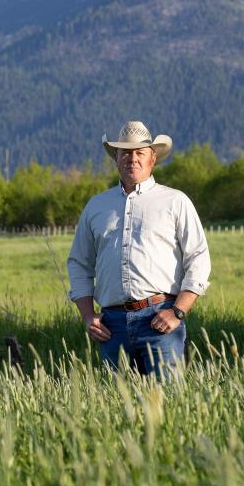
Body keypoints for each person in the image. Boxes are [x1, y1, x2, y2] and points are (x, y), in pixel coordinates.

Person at [67, 121, 211, 376]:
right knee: (116, 408)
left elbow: (198, 258)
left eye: (139, 153)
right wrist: (88, 316)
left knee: (167, 406)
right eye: (125, 153)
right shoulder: (97, 206)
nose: (132, 159)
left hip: (161, 320)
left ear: (152, 158)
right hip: (111, 326)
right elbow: (79, 263)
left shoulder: (175, 201)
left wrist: (178, 311)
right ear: (116, 159)